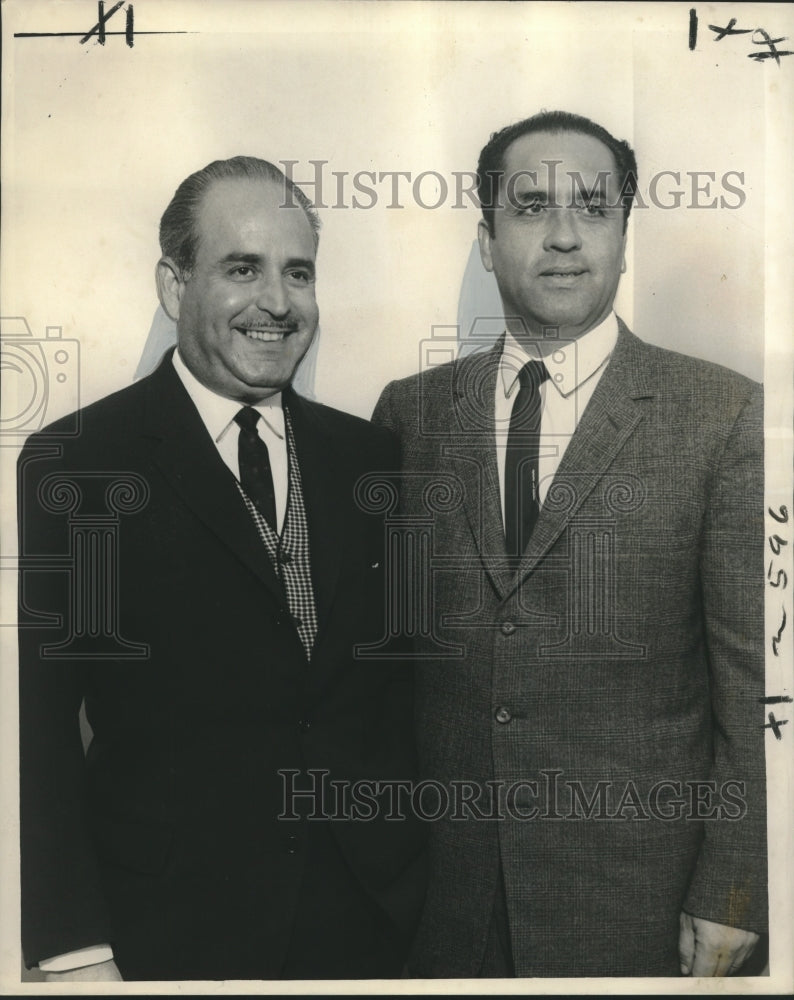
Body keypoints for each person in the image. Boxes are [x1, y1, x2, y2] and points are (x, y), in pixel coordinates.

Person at [372, 111, 767, 978]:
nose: (562, 236)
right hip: (446, 909)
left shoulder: (723, 416)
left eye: (592, 207)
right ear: (487, 240)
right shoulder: (410, 413)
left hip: (639, 907)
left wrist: (736, 889)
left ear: (625, 236)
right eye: (530, 207)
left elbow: (754, 685)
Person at [18, 156, 425, 981]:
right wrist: (73, 948)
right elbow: (39, 726)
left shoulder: (370, 457)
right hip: (166, 937)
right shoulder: (80, 464)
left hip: (366, 930)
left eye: (298, 272)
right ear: (174, 287)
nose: (277, 301)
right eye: (242, 269)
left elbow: (394, 700)